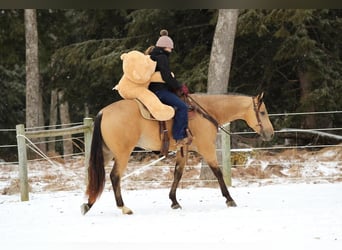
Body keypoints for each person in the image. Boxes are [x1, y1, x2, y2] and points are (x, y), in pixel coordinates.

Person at [146, 29, 192, 147]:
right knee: (182, 107)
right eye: (170, 48)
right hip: (160, 91)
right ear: (165, 47)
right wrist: (179, 87)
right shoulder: (162, 57)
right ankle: (179, 136)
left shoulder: (152, 56)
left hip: (152, 90)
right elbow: (166, 76)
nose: (171, 50)